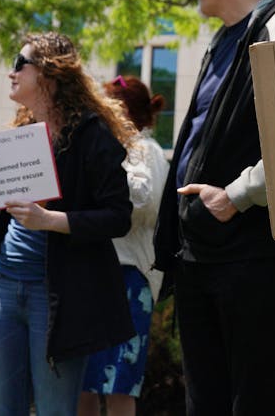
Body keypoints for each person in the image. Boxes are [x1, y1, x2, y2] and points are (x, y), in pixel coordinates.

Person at [153, 0, 275, 416]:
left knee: (256, 397)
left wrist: (238, 195)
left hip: (251, 252)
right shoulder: (220, 42)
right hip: (198, 254)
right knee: (203, 399)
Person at [0, 31, 134, 416]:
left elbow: (118, 217)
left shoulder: (92, 136)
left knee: (55, 410)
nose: (11, 73)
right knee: (3, 410)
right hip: (3, 288)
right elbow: (8, 223)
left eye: (20, 64)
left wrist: (50, 220)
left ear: (50, 75)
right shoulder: (20, 137)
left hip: (57, 297)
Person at [78, 75, 170, 416]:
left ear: (124, 109)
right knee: (83, 383)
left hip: (129, 278)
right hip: (92, 275)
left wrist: (105, 172)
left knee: (120, 386)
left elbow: (143, 206)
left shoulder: (147, 151)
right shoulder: (104, 147)